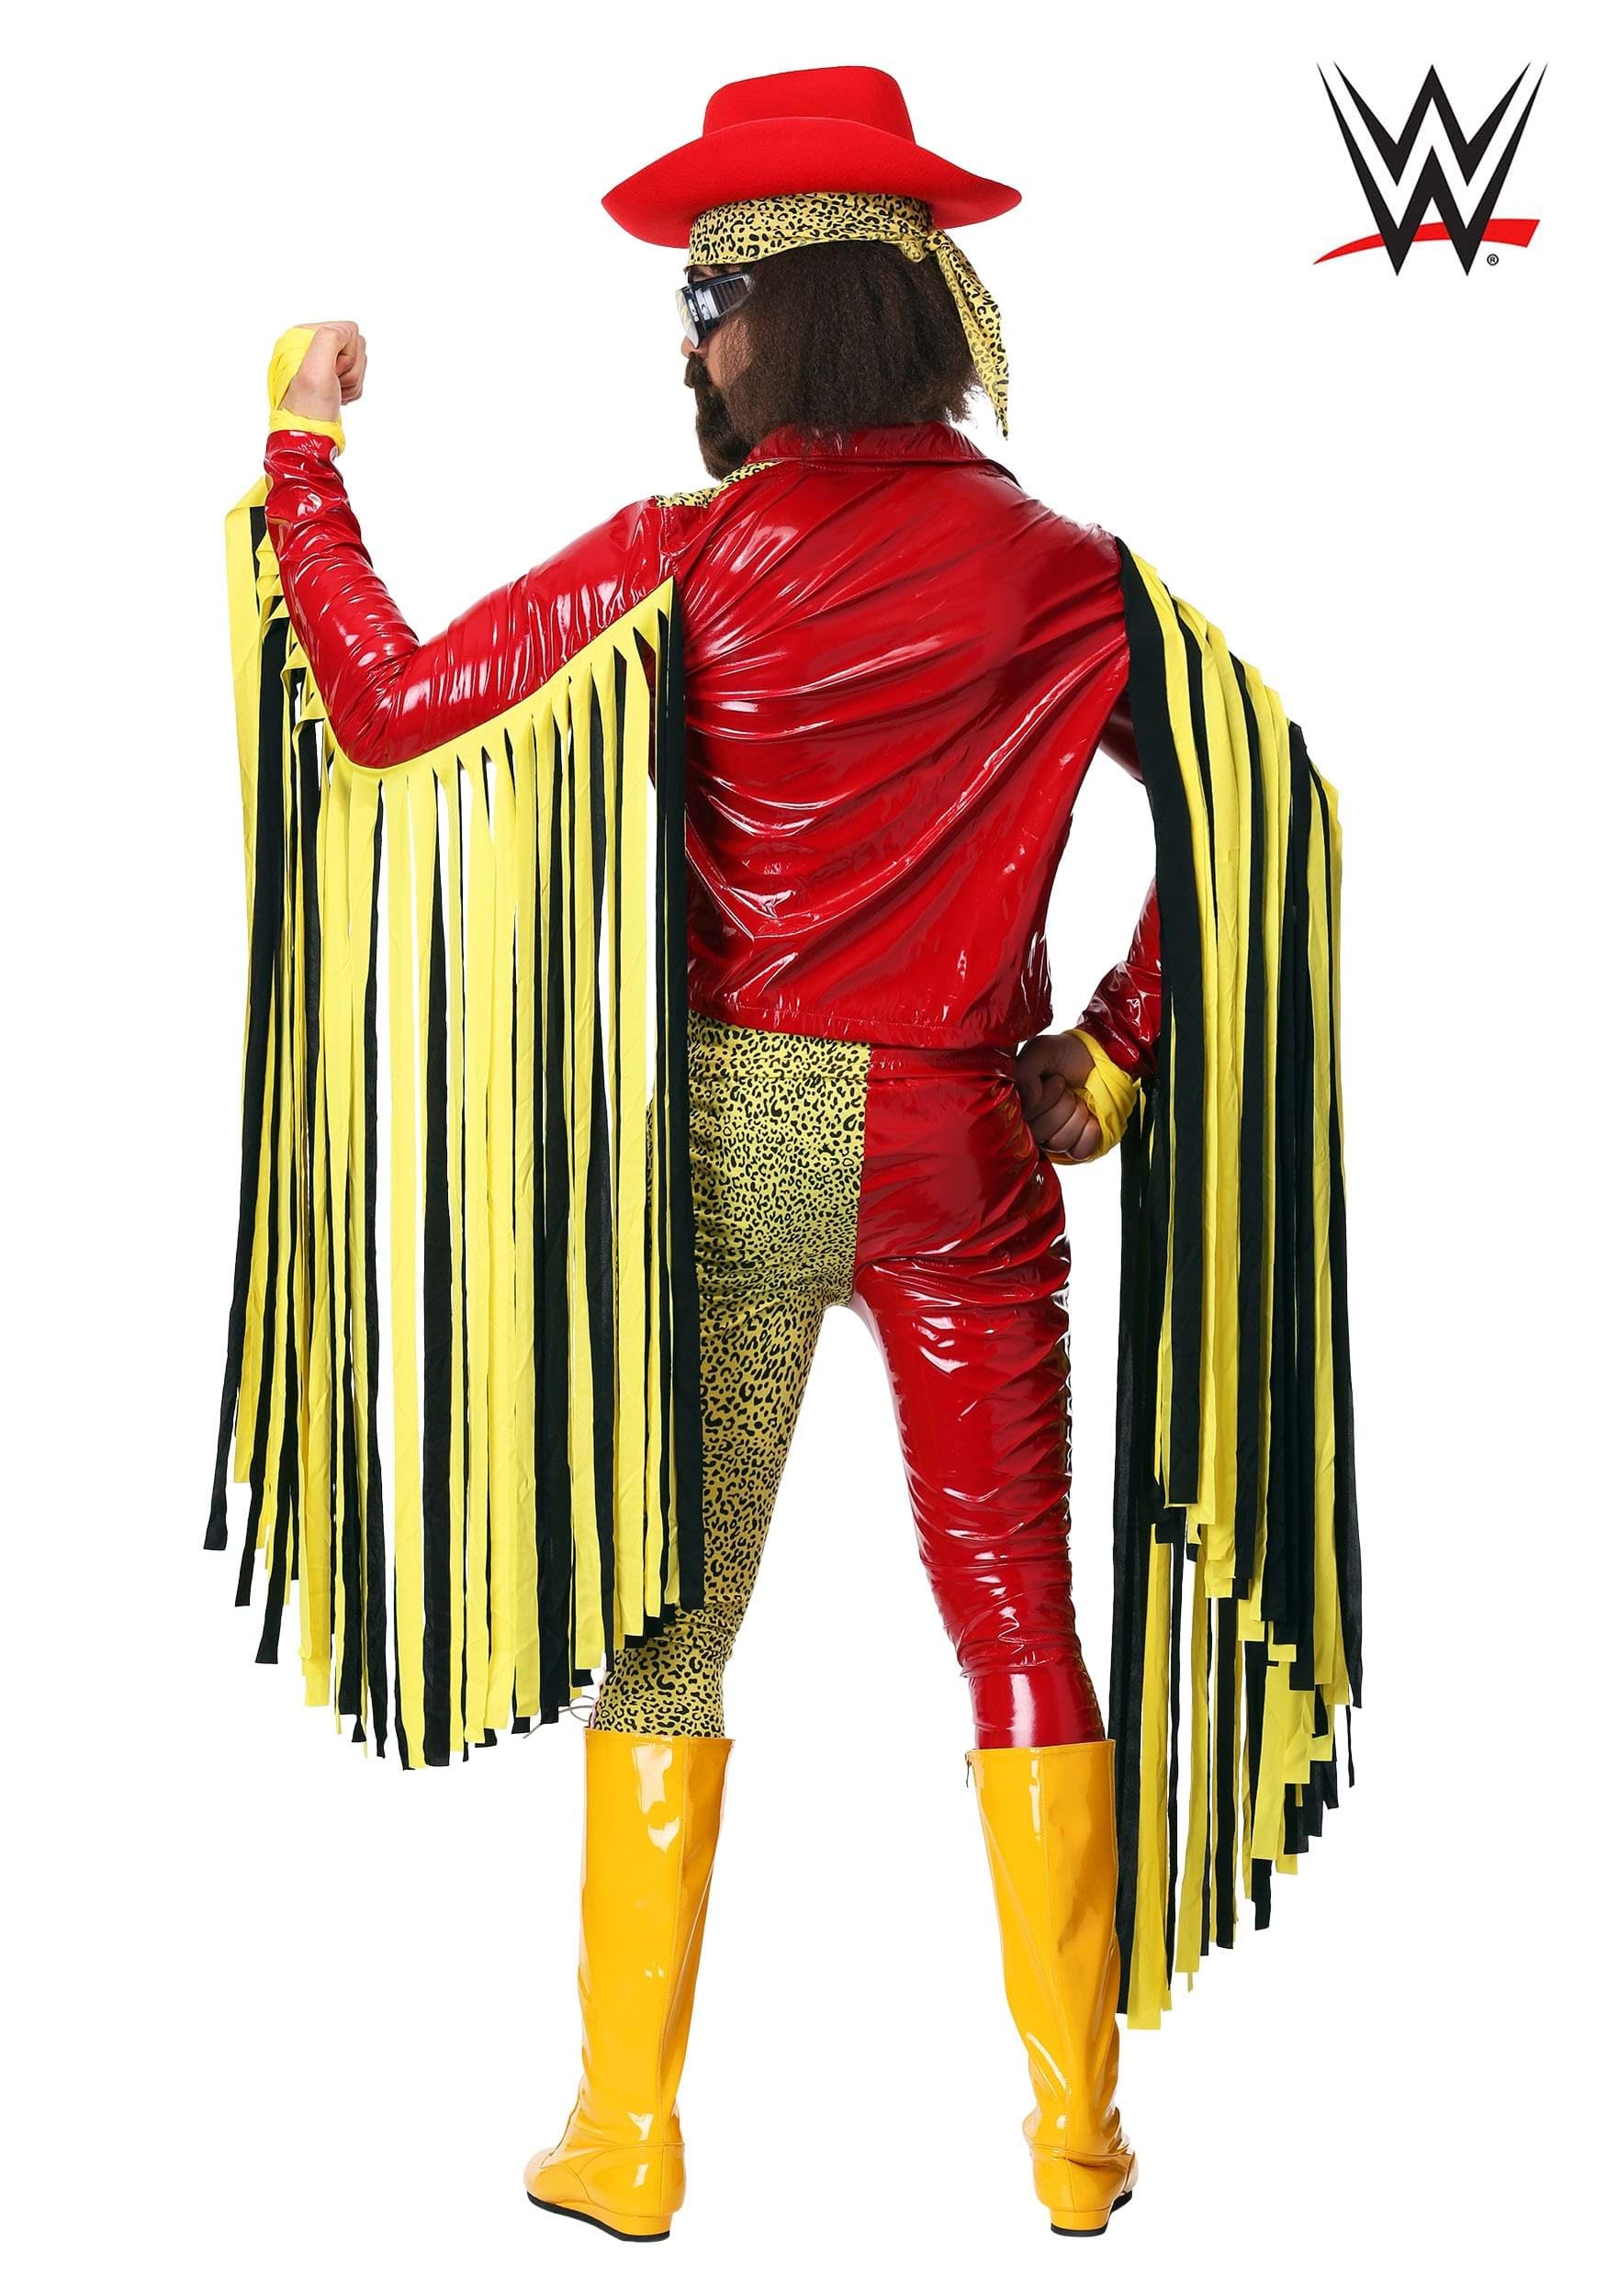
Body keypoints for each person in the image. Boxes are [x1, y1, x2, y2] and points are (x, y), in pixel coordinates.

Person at [216, 62, 1359, 2246]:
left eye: (700, 304)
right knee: (1015, 1614)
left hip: (737, 1133)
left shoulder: (689, 553)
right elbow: (1265, 801)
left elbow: (382, 703)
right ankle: (1077, 2143)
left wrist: (301, 448)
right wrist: (1112, 1053)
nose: (685, 345)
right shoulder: (1066, 577)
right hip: (958, 1147)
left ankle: (624, 2135)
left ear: (786, 311)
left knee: (672, 1635)